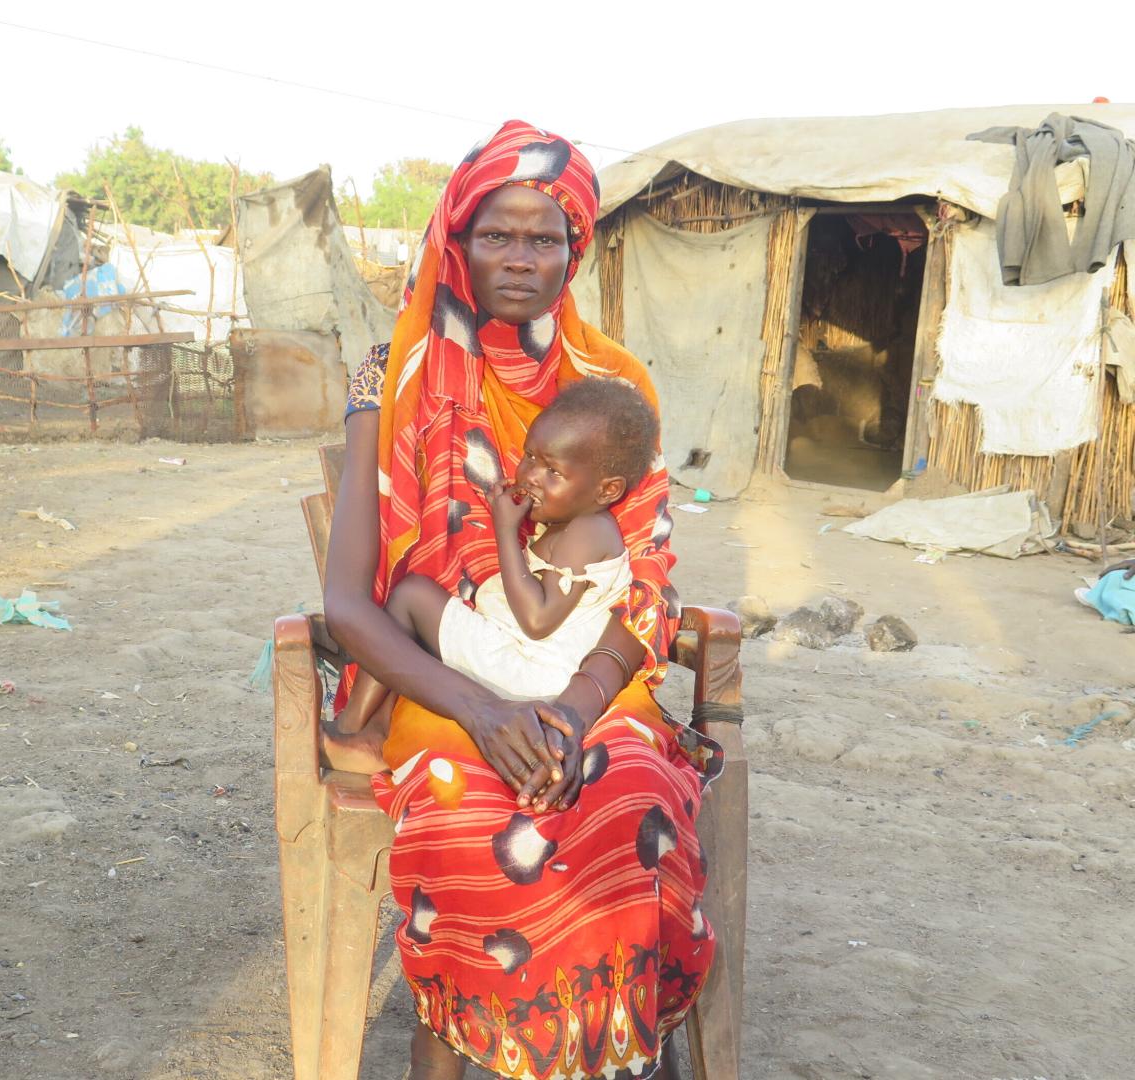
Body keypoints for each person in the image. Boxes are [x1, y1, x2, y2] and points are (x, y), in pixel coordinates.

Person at [321, 120, 721, 1080]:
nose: (519, 257)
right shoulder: (398, 377)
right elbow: (347, 601)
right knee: (476, 809)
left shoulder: (616, 388)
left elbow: (649, 582)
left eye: (545, 237)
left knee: (623, 788)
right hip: (445, 678)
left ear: (575, 250)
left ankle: (614, 1050)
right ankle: (472, 1036)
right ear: (454, 240)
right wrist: (484, 707)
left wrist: (573, 712)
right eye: (496, 233)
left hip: (587, 681)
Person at [337, 377, 656, 734]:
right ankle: (378, 729)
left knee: (412, 597)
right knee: (422, 627)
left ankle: (351, 726)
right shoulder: (573, 523)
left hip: (533, 677)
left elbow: (537, 621)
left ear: (607, 490)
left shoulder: (587, 531)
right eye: (530, 456)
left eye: (553, 471)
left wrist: (504, 530)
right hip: (527, 668)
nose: (531, 476)